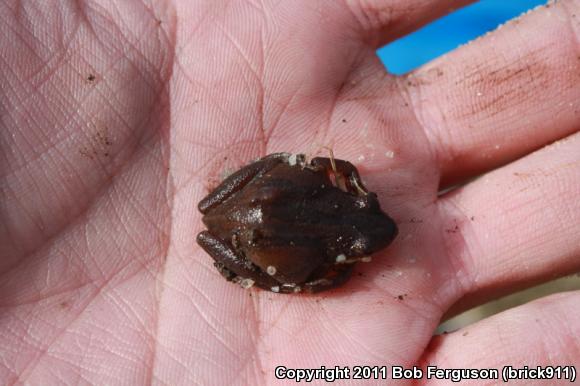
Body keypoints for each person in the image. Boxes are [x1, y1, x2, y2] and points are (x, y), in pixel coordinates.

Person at [1, 1, 578, 384]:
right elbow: (312, 275)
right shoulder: (337, 260)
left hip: (260, 213)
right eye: (365, 212)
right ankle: (242, 262)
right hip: (245, 226)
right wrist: (282, 262)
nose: (369, 206)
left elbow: (322, 243)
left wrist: (315, 190)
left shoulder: (341, 233)